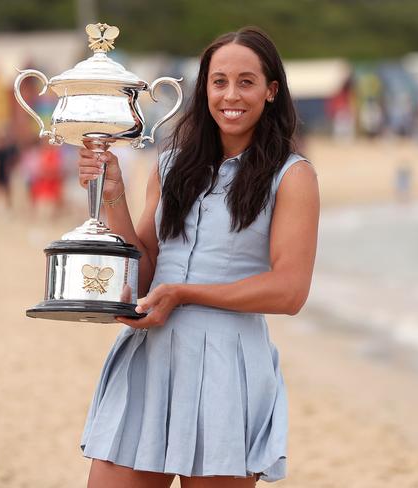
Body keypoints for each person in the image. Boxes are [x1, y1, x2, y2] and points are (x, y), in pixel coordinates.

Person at [77, 27, 319, 488]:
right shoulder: (170, 166)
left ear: (271, 91)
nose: (231, 95)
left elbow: (290, 291)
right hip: (150, 356)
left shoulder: (293, 176)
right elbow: (144, 262)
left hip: (228, 367)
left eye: (247, 82)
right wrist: (110, 195)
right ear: (204, 88)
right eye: (219, 81)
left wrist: (184, 294)